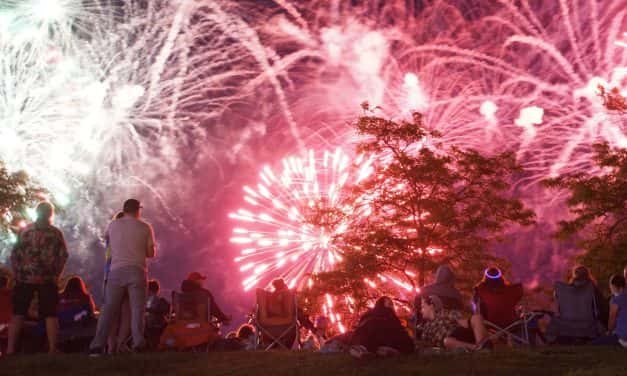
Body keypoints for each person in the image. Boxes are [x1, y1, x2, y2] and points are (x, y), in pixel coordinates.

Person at [89, 199, 156, 355]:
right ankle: (138, 342)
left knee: (108, 310)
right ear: (138, 210)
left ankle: (97, 345)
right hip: (137, 270)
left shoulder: (113, 225)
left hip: (116, 270)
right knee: (137, 310)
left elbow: (108, 242)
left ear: (124, 209)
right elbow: (151, 253)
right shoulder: (145, 227)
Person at [7, 202, 68, 354]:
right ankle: (53, 348)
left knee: (18, 312)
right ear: (50, 214)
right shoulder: (55, 233)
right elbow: (63, 256)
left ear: (36, 212)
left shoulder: (25, 231)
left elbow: (15, 254)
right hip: (47, 278)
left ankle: (10, 349)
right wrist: (56, 274)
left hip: (25, 277)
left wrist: (17, 273)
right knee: (50, 313)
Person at [418, 295, 491, 352]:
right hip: (451, 340)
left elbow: (463, 322)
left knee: (477, 317)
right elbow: (425, 343)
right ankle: (479, 349)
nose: (421, 311)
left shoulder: (445, 313)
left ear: (431, 306)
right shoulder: (426, 327)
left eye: (423, 307)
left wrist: (471, 324)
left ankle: (482, 344)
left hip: (461, 331)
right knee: (447, 341)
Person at [349, 296, 414, 358]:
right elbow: (399, 331)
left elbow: (359, 329)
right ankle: (381, 349)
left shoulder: (367, 314)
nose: (392, 307)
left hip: (363, 341)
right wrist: (409, 344)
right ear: (382, 304)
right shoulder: (389, 313)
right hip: (382, 339)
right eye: (390, 304)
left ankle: (363, 349)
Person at [592, 275, 627, 347]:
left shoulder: (615, 300)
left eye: (612, 288)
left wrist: (609, 331)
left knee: (594, 343)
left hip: (621, 336)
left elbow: (612, 319)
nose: (611, 291)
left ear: (618, 288)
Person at [145, 279, 170, 349]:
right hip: (157, 323)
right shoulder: (155, 299)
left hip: (153, 323)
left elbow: (152, 312)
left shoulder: (153, 299)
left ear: (149, 289)